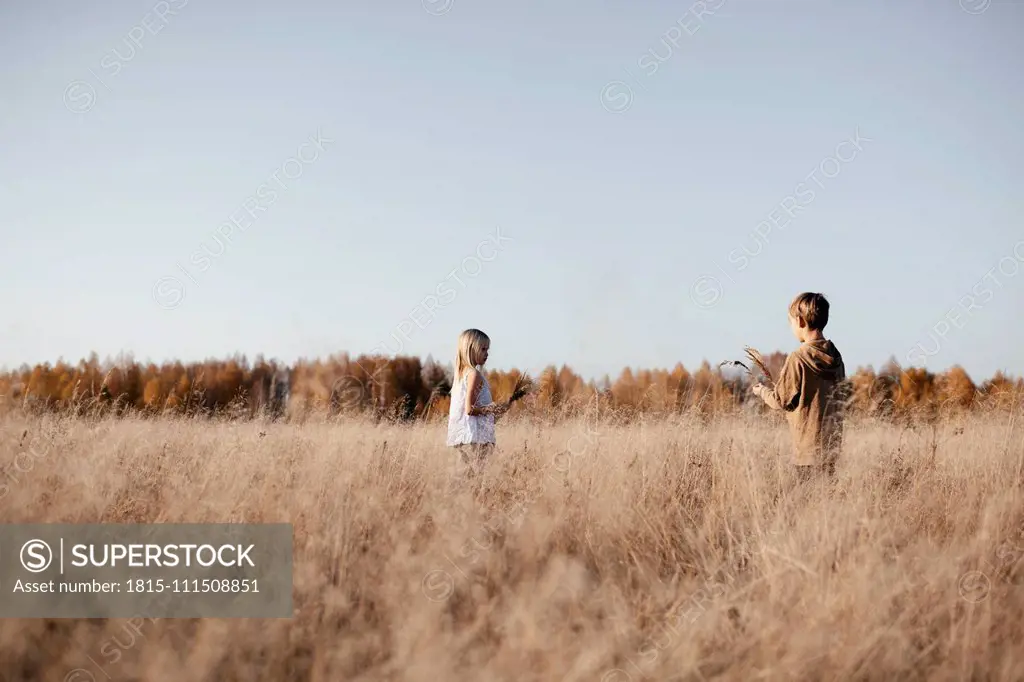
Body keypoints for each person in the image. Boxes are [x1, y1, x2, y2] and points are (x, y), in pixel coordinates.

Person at [751, 292, 847, 485]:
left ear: (801, 321)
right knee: (826, 506)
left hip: (807, 452)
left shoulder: (798, 358)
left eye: (791, 323)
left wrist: (761, 391)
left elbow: (780, 401)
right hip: (831, 449)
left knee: (805, 506)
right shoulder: (836, 358)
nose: (791, 328)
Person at [446, 328, 510, 480]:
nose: (487, 353)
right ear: (470, 349)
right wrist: (493, 408)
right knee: (479, 480)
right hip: (475, 437)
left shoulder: (461, 375)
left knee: (466, 479)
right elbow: (470, 409)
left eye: (487, 349)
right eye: (483, 349)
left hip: (464, 436)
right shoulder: (474, 375)